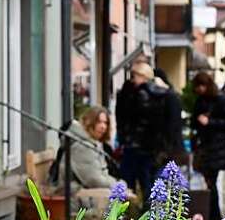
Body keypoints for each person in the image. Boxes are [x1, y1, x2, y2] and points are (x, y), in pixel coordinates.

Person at [115, 61, 169, 197]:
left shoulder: (138, 94)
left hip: (139, 146)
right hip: (144, 146)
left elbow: (127, 118)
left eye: (136, 76)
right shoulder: (157, 93)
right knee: (145, 183)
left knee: (137, 183)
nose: (134, 80)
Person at [190, 71, 225, 220]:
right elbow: (194, 121)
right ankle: (212, 215)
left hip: (216, 147)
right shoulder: (200, 101)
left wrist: (210, 122)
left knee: (211, 181)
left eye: (202, 86)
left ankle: (213, 216)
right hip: (204, 147)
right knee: (208, 181)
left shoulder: (221, 99)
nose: (200, 89)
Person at [63, 106, 116, 193]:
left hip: (84, 193)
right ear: (87, 122)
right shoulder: (81, 146)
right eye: (99, 122)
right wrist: (118, 185)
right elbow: (93, 180)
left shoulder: (93, 142)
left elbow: (102, 175)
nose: (103, 126)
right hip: (72, 196)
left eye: (105, 123)